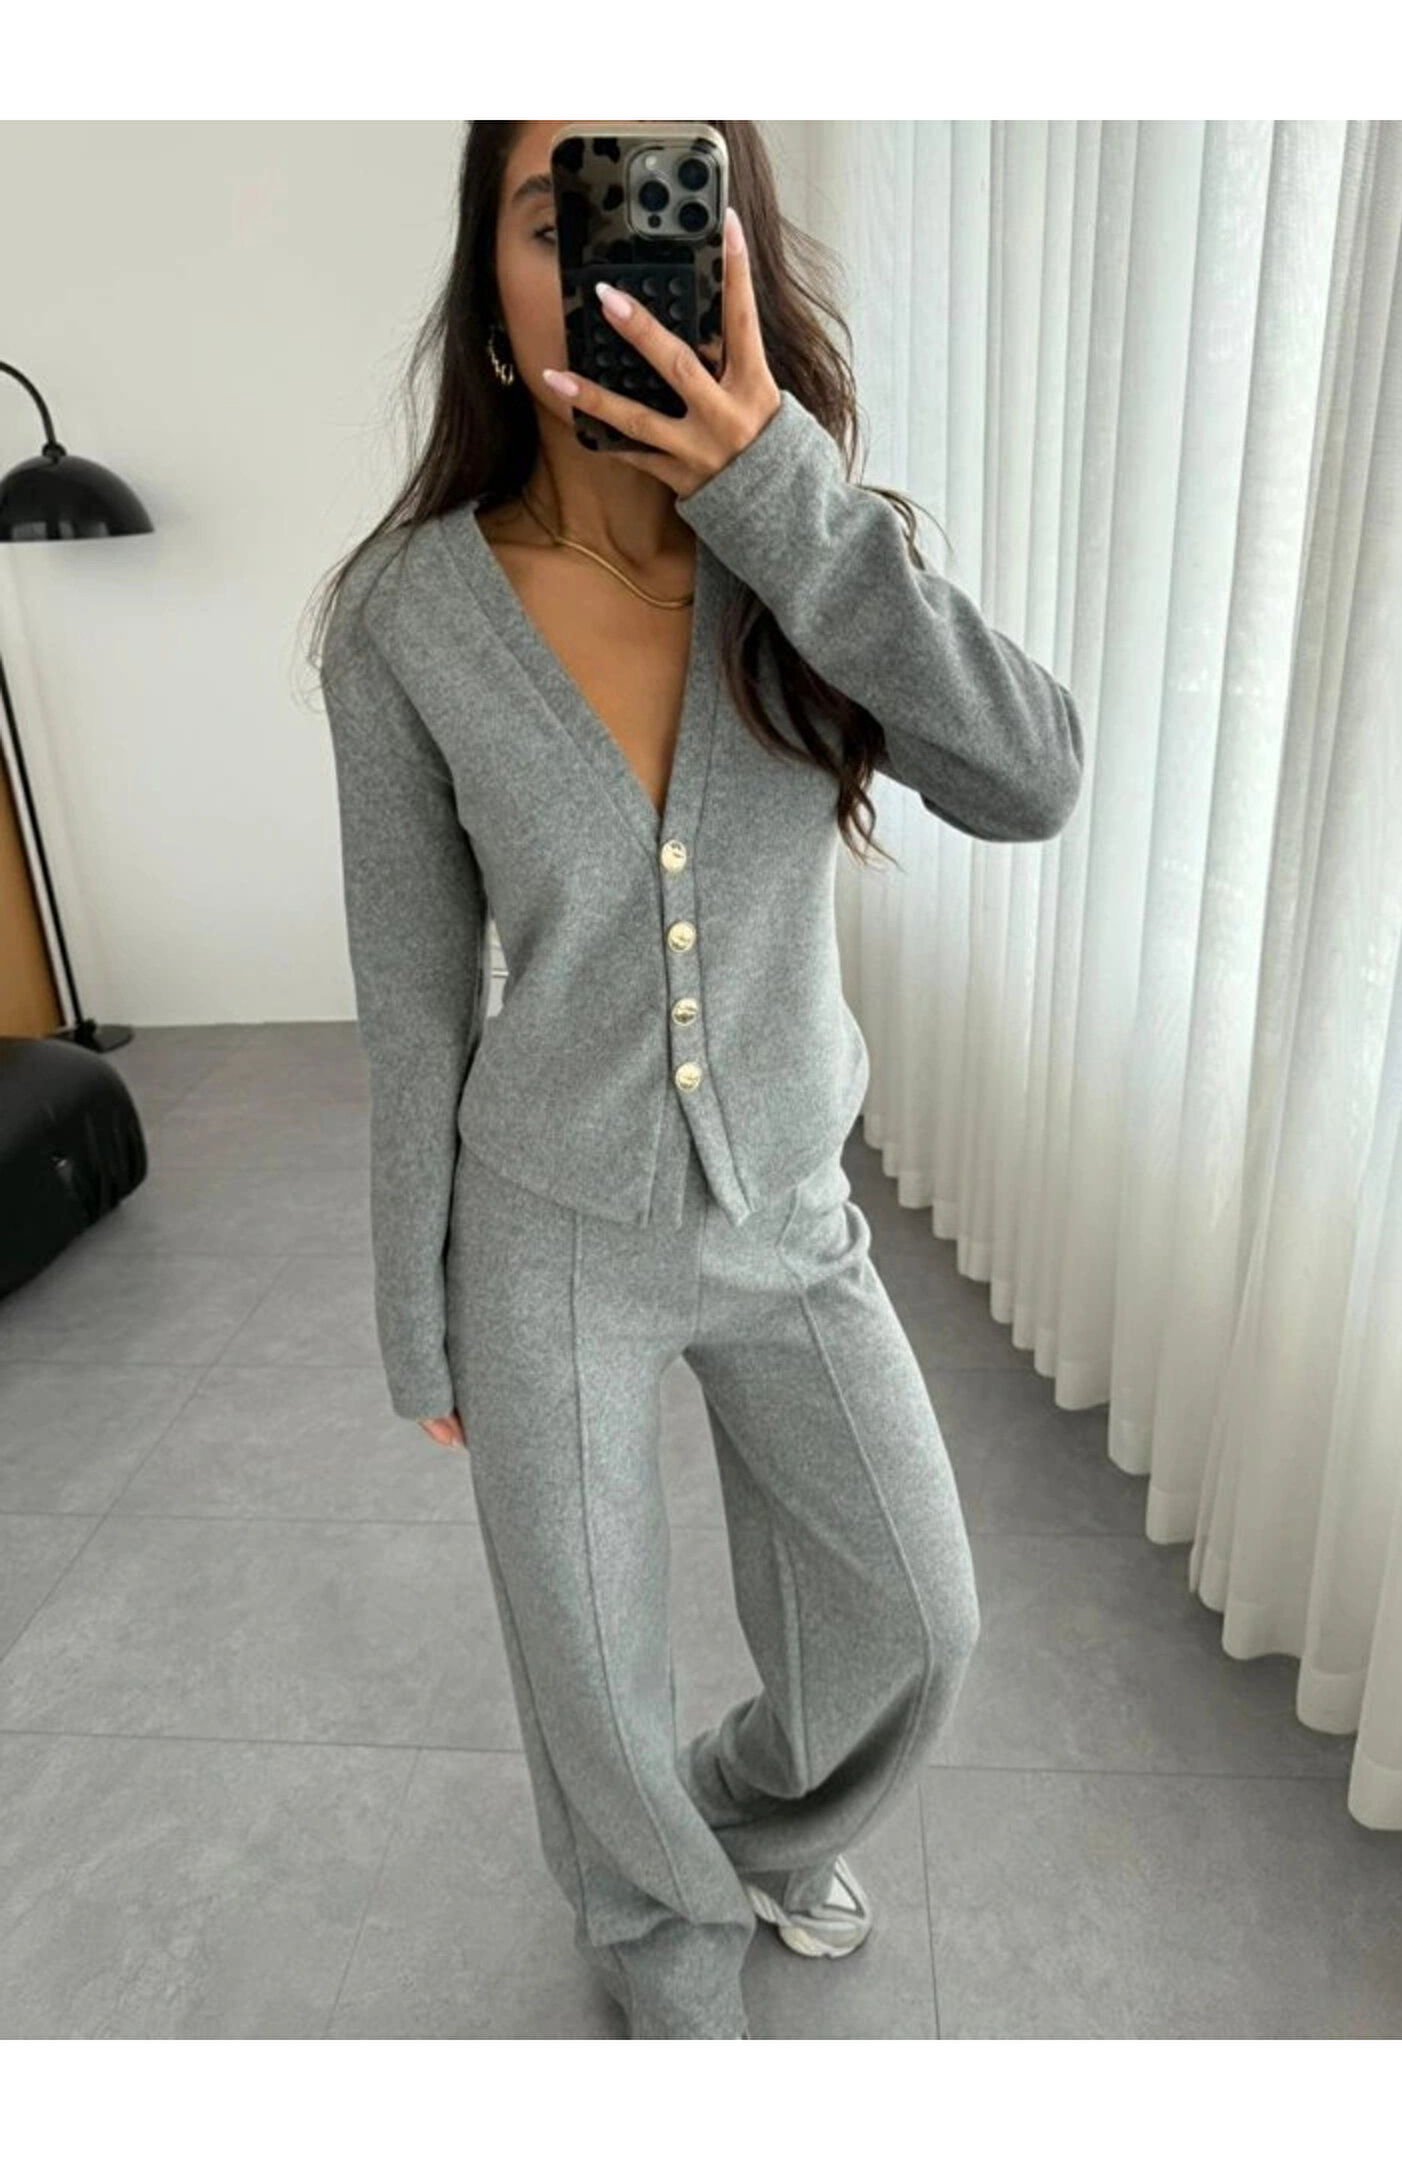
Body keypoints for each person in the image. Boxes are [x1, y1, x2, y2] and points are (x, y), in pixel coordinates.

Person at [310, 120, 1084, 2041]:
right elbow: (411, 998)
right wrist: (415, 1305)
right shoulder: (405, 618)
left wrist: (776, 495)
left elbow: (1031, 780)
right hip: (549, 1229)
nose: (603, 254)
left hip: (791, 1213)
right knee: (588, 1665)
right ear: (491, 282)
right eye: (548, 212)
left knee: (914, 1620)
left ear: (730, 249)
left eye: (660, 202)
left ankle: (753, 1825)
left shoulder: (810, 547)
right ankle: (661, 1949)